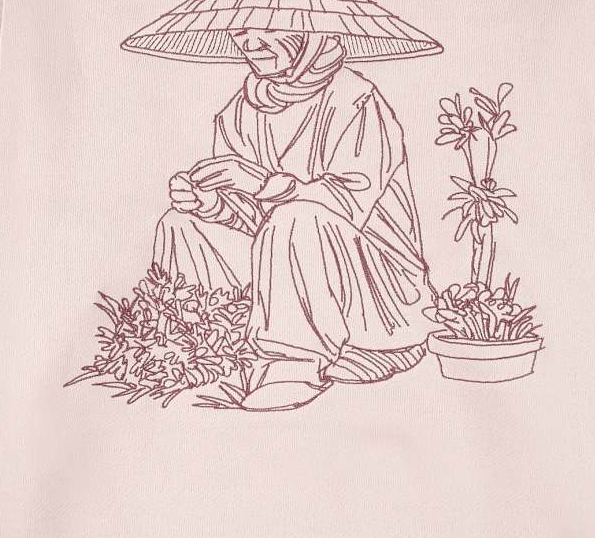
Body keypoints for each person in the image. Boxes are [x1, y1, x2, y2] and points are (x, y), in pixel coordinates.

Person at [154, 28, 431, 410]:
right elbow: (258, 223)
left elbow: (348, 202)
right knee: (182, 223)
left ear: (308, 32)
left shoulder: (356, 100)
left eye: (268, 30)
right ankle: (206, 348)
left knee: (297, 213)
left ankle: (293, 363)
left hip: (372, 278)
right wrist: (211, 204)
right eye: (241, 32)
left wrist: (263, 183)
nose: (250, 43)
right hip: (286, 263)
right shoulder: (240, 111)